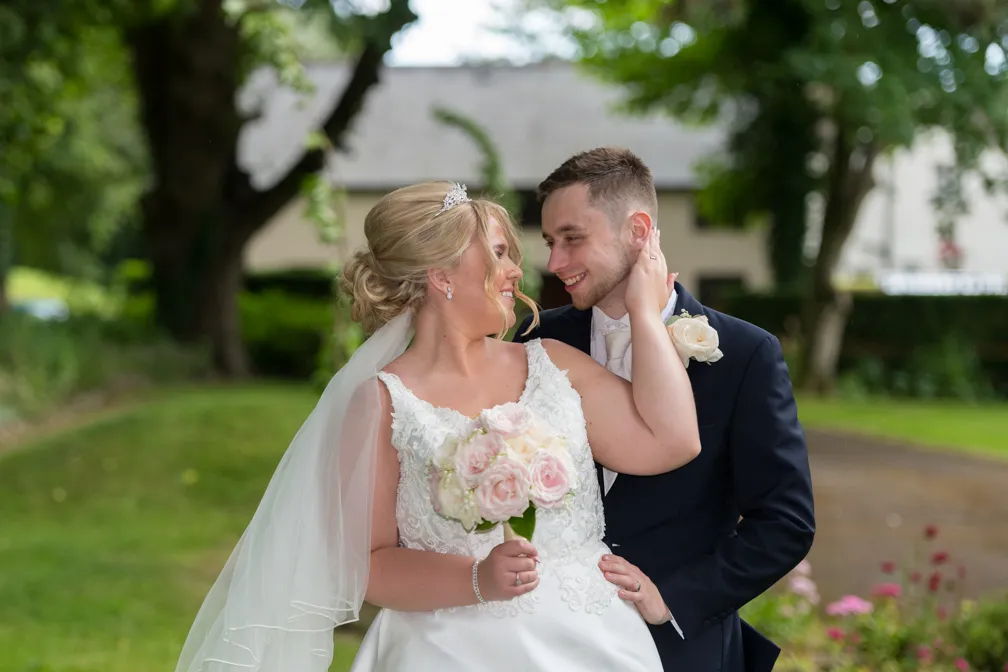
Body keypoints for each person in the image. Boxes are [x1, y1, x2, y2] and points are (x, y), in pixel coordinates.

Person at [174, 181, 702, 672]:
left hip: (591, 641)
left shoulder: (555, 364)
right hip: (445, 649)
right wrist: (478, 579)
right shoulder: (382, 401)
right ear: (442, 276)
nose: (518, 270)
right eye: (498, 253)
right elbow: (370, 565)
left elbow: (671, 442)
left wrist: (644, 313)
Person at [514, 147, 816, 672]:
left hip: (675, 648)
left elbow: (785, 521)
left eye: (572, 239)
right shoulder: (540, 339)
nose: (555, 263)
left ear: (637, 230)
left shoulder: (745, 354)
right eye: (549, 242)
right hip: (546, 635)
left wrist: (673, 598)